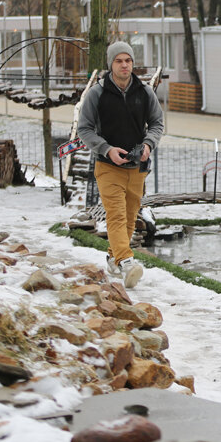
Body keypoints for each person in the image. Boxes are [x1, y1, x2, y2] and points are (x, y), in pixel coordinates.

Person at [78, 41, 164, 288]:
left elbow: (157, 123)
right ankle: (126, 262)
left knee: (128, 219)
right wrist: (106, 149)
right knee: (115, 215)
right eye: (119, 61)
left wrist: (148, 144)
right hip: (108, 166)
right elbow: (84, 129)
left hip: (137, 167)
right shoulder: (97, 94)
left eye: (128, 60)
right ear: (111, 64)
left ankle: (113, 259)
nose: (124, 65)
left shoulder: (145, 92)